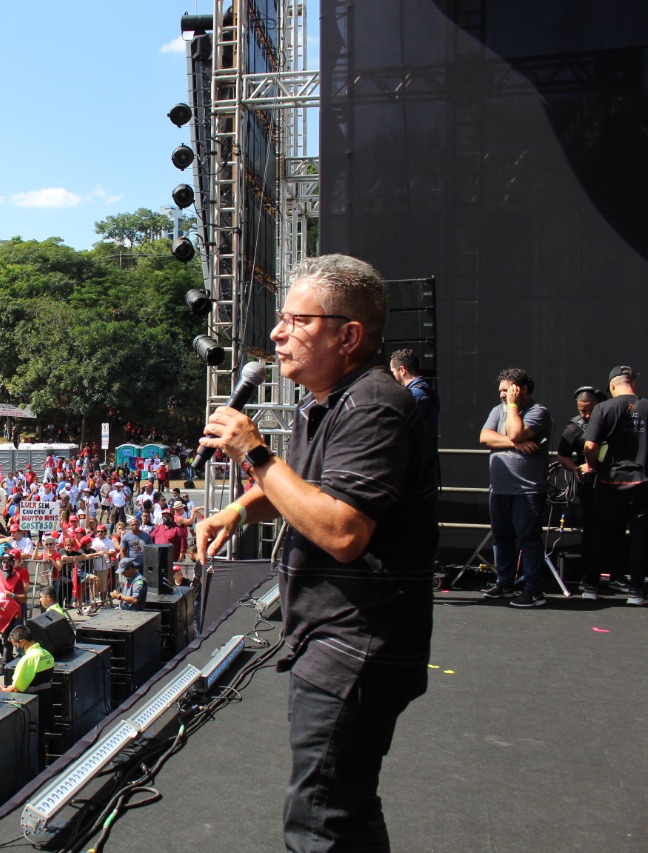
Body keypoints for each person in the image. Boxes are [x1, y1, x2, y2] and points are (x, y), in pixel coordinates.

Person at [194, 254, 439, 851]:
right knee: (347, 809)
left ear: (348, 336)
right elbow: (301, 488)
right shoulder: (330, 401)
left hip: (356, 642)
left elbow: (343, 530)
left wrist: (254, 452)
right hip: (337, 640)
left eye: (297, 321)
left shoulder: (373, 406)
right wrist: (237, 509)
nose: (278, 333)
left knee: (320, 821)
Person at [479, 367, 553, 607]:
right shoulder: (496, 410)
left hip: (527, 489)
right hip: (500, 488)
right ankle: (505, 582)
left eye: (506, 390)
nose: (502, 395)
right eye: (501, 391)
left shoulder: (538, 412)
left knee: (528, 539)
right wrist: (515, 444)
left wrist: (512, 408)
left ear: (521, 389)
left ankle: (534, 590)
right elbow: (485, 437)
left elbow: (516, 432)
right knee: (502, 538)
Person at [582, 366, 648, 605]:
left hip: (610, 479)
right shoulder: (646, 406)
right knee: (640, 535)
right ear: (634, 384)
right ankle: (636, 591)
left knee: (599, 532)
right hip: (641, 480)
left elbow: (590, 445)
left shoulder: (604, 407)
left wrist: (592, 465)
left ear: (612, 386)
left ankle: (590, 586)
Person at [555, 386, 601, 594]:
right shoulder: (574, 427)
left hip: (613, 483)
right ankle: (589, 577)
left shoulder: (609, 421)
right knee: (591, 529)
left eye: (590, 409)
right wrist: (575, 468)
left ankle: (617, 576)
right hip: (589, 485)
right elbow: (562, 455)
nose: (586, 415)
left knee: (616, 528)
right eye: (582, 410)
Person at [389, 347, 440, 443]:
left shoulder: (414, 395)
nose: (391, 376)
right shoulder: (428, 389)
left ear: (402, 370)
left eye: (392, 372)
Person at [0, 625, 53, 694]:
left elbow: (17, 688)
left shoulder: (27, 659)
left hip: (30, 698)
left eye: (16, 646)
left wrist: (3, 690)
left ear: (22, 642)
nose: (16, 649)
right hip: (46, 697)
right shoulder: (47, 654)